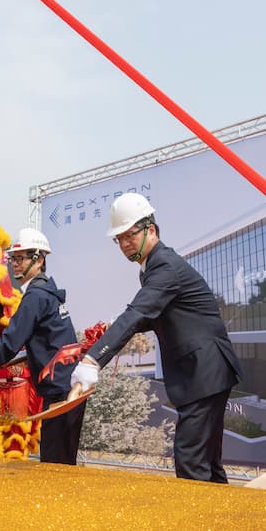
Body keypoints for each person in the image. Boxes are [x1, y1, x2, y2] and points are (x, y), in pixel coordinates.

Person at [70, 194, 244, 482]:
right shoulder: (153, 267)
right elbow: (150, 315)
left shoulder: (164, 267)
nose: (125, 243)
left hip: (204, 371)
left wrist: (92, 361)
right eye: (119, 238)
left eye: (130, 235)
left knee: (191, 461)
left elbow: (138, 312)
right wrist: (110, 329)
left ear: (151, 229)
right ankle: (220, 510)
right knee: (206, 461)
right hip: (207, 370)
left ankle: (198, 513)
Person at [0, 228, 84, 465]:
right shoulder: (47, 293)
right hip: (68, 389)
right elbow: (43, 342)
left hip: (61, 394)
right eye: (13, 258)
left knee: (55, 468)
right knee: (62, 466)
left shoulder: (36, 297)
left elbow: (9, 343)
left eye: (21, 258)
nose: (15, 264)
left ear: (39, 260)